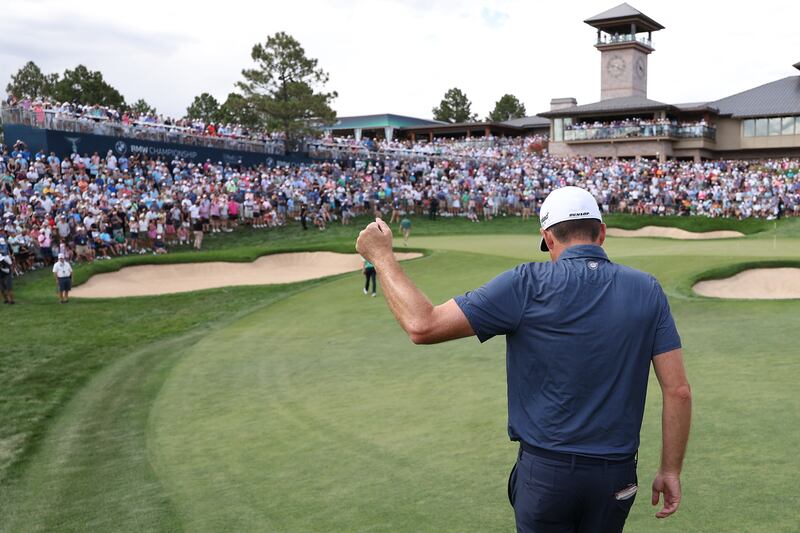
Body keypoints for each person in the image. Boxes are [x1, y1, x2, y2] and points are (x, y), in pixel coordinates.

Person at [355, 186, 691, 533]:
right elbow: (678, 391)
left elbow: (422, 325)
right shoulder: (647, 289)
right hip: (616, 477)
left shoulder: (525, 284)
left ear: (548, 237)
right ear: (601, 233)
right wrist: (670, 470)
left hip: (546, 474)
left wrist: (381, 258)